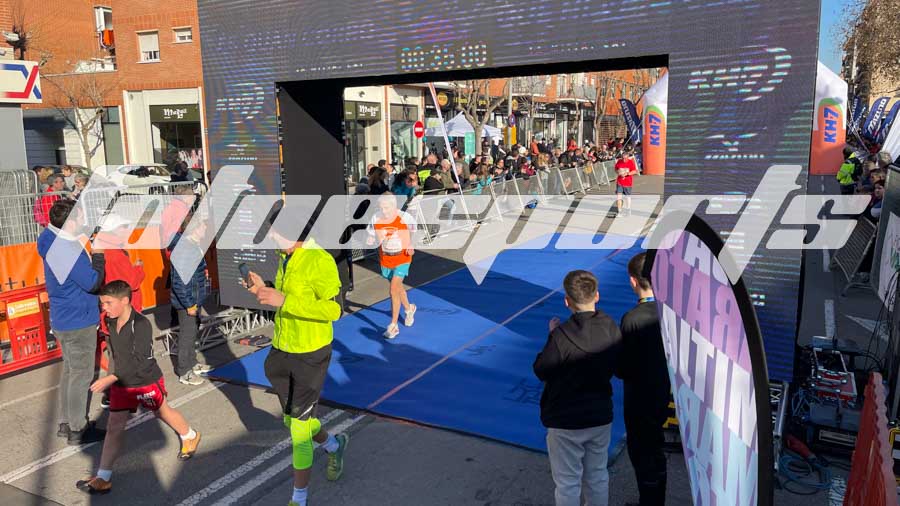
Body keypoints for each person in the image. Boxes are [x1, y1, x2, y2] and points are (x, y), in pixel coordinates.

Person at [243, 205, 349, 506]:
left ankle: (298, 499)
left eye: (275, 231)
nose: (272, 236)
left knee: (299, 433)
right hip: (282, 349)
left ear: (293, 232)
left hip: (310, 354)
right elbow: (287, 296)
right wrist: (265, 289)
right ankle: (334, 445)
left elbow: (335, 309)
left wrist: (284, 300)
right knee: (293, 421)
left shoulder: (320, 260)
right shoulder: (286, 256)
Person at [76, 281, 202, 495]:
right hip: (122, 383)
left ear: (125, 301)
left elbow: (140, 361)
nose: (104, 308)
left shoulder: (141, 325)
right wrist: (112, 375)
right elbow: (117, 355)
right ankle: (103, 478)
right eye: (102, 303)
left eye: (108, 303)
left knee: (162, 412)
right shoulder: (110, 320)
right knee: (114, 426)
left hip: (145, 381)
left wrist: (110, 378)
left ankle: (190, 435)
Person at [533, 270, 622, 506]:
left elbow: (541, 369)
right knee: (597, 476)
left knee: (567, 482)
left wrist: (552, 336)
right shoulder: (611, 327)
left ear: (567, 301)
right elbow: (619, 366)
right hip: (599, 414)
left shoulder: (561, 336)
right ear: (597, 296)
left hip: (565, 419)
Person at [37, 199, 107, 445]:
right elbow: (91, 282)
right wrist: (98, 256)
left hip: (63, 317)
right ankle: (78, 428)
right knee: (81, 375)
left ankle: (66, 421)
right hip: (78, 319)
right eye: (80, 217)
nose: (83, 220)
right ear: (69, 222)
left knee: (70, 371)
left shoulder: (48, 237)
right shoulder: (66, 249)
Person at [617, 253, 670, 506]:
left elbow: (623, 365)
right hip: (662, 390)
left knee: (642, 453)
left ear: (633, 281)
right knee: (655, 448)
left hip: (639, 397)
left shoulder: (632, 318)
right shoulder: (670, 312)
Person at [169, 216, 213, 385]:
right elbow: (179, 282)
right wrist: (189, 304)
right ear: (194, 228)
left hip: (195, 298)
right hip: (188, 302)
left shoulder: (192, 245)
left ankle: (192, 363)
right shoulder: (184, 249)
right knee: (187, 336)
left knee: (193, 332)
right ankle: (184, 371)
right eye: (202, 226)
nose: (205, 229)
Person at [367, 193, 417, 339]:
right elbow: (371, 234)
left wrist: (411, 243)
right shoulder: (376, 218)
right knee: (398, 288)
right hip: (386, 259)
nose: (384, 211)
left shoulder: (404, 217)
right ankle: (409, 308)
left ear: (394, 206)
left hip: (403, 257)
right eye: (381, 208)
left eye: (386, 208)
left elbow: (414, 231)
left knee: (393, 290)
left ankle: (393, 325)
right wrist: (371, 239)